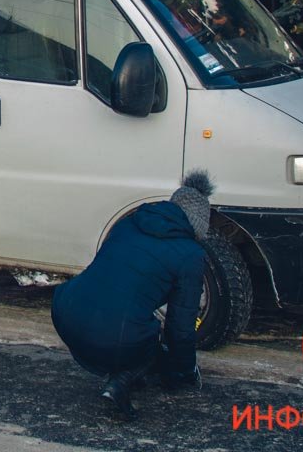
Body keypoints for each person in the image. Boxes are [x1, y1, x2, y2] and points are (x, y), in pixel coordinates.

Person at [51, 171, 214, 420]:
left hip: (66, 312)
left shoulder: (130, 223)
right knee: (146, 335)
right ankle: (118, 384)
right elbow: (180, 326)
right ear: (197, 225)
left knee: (126, 317)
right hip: (110, 334)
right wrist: (182, 371)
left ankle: (125, 370)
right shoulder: (190, 254)